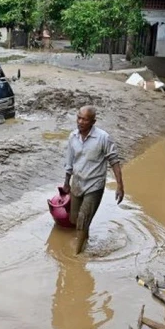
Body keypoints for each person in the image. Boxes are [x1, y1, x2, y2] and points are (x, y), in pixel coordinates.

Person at [63, 105, 125, 254]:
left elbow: (114, 161)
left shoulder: (103, 137)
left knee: (83, 221)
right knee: (74, 219)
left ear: (93, 122)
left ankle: (76, 255)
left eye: (85, 119)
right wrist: (66, 182)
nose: (80, 121)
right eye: (79, 117)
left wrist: (120, 185)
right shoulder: (73, 137)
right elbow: (69, 161)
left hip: (94, 185)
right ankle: (85, 240)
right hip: (77, 182)